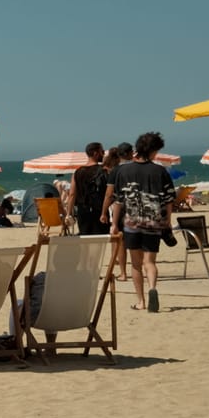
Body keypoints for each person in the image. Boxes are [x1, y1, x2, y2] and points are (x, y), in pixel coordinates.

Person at [109, 130, 177, 313]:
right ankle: (153, 288)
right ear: (153, 150)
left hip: (131, 224)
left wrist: (114, 223)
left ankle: (141, 302)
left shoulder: (123, 171)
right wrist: (167, 221)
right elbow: (169, 200)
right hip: (154, 224)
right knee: (150, 262)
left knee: (136, 264)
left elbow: (118, 201)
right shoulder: (160, 171)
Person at [100, 143, 132, 281]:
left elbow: (109, 194)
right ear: (131, 153)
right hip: (139, 207)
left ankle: (123, 273)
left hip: (120, 207)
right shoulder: (137, 168)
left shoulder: (115, 171)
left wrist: (103, 212)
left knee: (120, 240)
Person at [70, 142, 107, 238]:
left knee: (85, 239)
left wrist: (69, 213)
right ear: (95, 153)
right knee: (100, 240)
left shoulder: (77, 172)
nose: (103, 154)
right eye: (102, 151)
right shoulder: (103, 170)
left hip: (82, 211)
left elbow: (72, 194)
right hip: (99, 210)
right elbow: (108, 193)